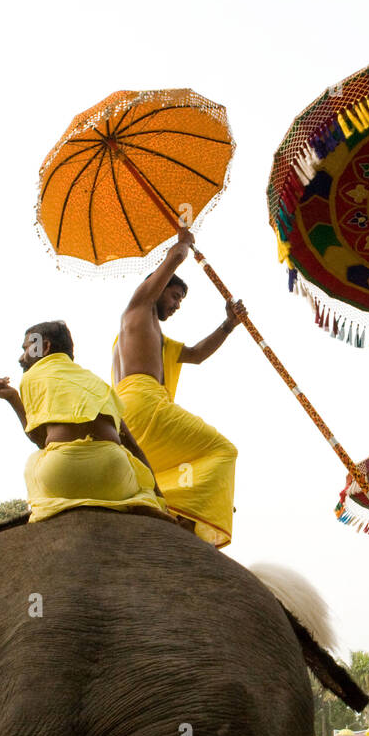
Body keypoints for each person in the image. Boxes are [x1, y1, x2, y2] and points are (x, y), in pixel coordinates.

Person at [112, 228, 241, 547]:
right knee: (223, 451)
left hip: (129, 414)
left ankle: (169, 507)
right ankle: (183, 520)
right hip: (145, 404)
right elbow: (171, 261)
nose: (178, 305)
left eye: (181, 300)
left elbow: (196, 355)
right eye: (175, 296)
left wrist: (228, 325)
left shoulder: (158, 337)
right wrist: (183, 243)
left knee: (185, 467)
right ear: (156, 288)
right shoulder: (138, 310)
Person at [0, 320, 167, 524]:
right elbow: (132, 444)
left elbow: (39, 439)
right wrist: (158, 497)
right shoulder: (96, 382)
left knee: (34, 460)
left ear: (45, 347)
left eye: (27, 348)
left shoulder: (33, 376)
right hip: (113, 469)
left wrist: (13, 399)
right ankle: (141, 502)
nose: (21, 357)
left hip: (62, 471)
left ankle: (46, 510)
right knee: (136, 473)